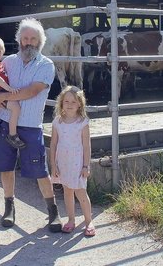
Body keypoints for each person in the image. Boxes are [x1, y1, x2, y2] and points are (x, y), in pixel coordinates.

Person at [0, 17, 62, 232]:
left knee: (40, 170)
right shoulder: (7, 61)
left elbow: (32, 91)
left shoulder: (46, 65)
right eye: (25, 37)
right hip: (4, 121)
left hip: (30, 125)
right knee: (6, 167)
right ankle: (9, 207)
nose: (28, 42)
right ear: (19, 39)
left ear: (40, 41)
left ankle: (53, 212)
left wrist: (0, 96)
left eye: (33, 38)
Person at [50, 85, 95, 237]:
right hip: (63, 162)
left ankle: (89, 221)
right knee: (67, 191)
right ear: (61, 103)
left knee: (81, 193)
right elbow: (54, 144)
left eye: (73, 102)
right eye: (66, 101)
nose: (69, 105)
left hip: (77, 163)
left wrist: (86, 165)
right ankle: (71, 220)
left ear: (80, 105)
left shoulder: (82, 122)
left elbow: (87, 146)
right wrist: (53, 164)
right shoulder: (57, 122)